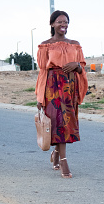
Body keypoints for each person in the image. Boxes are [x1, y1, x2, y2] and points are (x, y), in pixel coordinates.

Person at [35, 10, 88, 178]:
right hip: (52, 87)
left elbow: (82, 67)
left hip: (70, 87)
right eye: (59, 22)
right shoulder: (45, 45)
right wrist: (40, 96)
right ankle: (64, 161)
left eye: (66, 22)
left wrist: (75, 65)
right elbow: (43, 71)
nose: (63, 25)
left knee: (66, 122)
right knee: (58, 123)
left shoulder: (75, 44)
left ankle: (56, 154)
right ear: (52, 24)